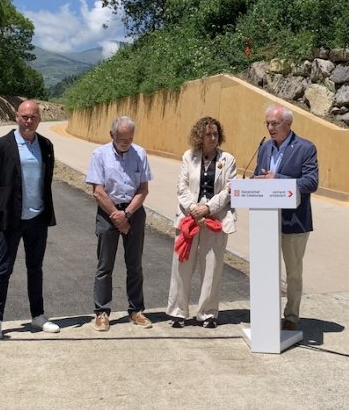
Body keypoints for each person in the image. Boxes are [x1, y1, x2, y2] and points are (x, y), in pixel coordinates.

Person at [0, 99, 59, 340]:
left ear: (39, 119)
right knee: (3, 269)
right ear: (17, 117)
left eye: (33, 117)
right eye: (25, 116)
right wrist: (0, 209)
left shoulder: (45, 145)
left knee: (35, 268)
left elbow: (46, 179)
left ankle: (38, 315)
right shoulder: (0, 146)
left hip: (38, 218)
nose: (29, 121)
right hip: (11, 219)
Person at [166, 117, 237, 329]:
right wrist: (193, 209)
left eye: (215, 134)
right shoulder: (189, 157)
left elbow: (229, 190)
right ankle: (178, 312)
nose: (212, 138)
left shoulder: (228, 159)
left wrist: (207, 208)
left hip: (215, 217)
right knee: (182, 264)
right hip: (189, 217)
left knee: (212, 267)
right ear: (200, 136)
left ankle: (208, 313)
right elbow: (182, 187)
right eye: (208, 134)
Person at [253, 105, 318, 331]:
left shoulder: (305, 148)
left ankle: (291, 316)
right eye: (267, 123)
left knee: (293, 272)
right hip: (266, 220)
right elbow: (259, 175)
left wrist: (278, 179)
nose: (270, 128)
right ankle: (267, 314)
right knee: (266, 269)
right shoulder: (265, 147)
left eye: (275, 123)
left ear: (288, 124)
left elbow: (311, 182)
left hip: (294, 220)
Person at [86, 116, 154, 331]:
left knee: (135, 264)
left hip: (134, 211)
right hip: (108, 212)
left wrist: (128, 213)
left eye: (130, 139)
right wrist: (117, 215)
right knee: (105, 265)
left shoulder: (140, 153)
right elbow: (98, 191)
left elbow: (143, 189)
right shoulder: (99, 155)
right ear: (112, 135)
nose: (126, 142)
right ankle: (102, 312)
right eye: (122, 138)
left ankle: (136, 310)